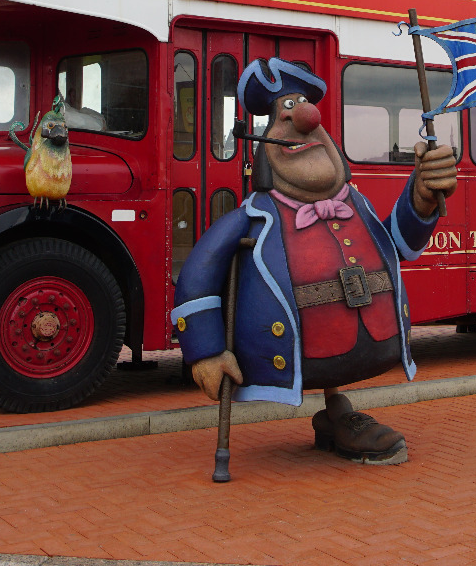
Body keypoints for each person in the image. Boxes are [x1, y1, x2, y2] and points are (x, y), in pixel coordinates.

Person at [172, 58, 458, 465]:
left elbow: (397, 242)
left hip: (371, 339)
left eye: (304, 106)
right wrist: (206, 350)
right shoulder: (252, 217)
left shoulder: (355, 202)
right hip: (283, 352)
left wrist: (422, 195)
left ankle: (337, 414)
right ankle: (336, 414)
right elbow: (198, 276)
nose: (306, 118)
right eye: (285, 111)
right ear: (264, 144)